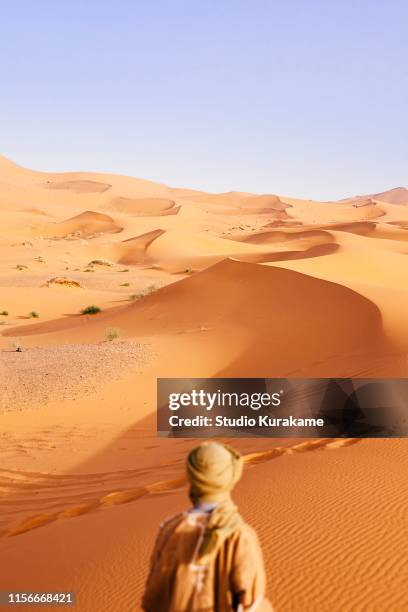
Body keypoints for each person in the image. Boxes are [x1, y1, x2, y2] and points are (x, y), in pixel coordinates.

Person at [142, 441, 273, 611]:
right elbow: (252, 602)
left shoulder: (169, 528)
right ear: (231, 476)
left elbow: (152, 598)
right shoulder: (239, 535)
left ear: (192, 476)